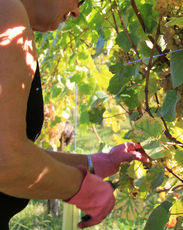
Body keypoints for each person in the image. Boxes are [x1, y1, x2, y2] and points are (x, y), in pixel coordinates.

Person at [0, 0, 150, 229]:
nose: (77, 11)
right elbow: (6, 160)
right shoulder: (8, 16)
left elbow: (14, 150)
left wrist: (95, 164)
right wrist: (80, 187)